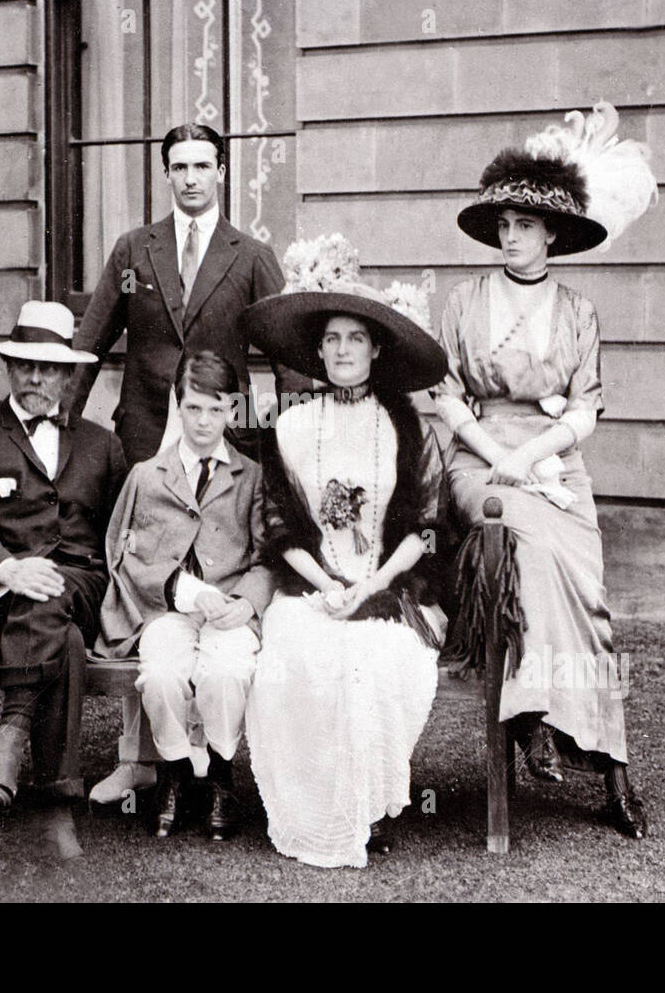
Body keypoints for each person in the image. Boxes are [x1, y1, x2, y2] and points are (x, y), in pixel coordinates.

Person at [70, 122, 309, 806]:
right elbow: (89, 343)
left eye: (203, 165)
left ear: (223, 172)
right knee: (150, 592)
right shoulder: (132, 249)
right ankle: (139, 761)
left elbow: (288, 354)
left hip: (221, 437)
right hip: (147, 445)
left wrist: (289, 439)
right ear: (166, 174)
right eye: (179, 166)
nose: (191, 177)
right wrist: (62, 430)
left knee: (221, 583)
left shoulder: (252, 255)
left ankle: (212, 756)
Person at [435, 104, 654, 839]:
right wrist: (501, 460)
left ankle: (610, 768)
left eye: (526, 225)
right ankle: (533, 716)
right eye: (505, 225)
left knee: (587, 591)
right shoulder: (463, 303)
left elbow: (586, 407)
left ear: (553, 233)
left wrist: (533, 459)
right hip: (479, 461)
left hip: (555, 461)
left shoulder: (577, 310)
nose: (513, 236)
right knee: (525, 545)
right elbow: (446, 398)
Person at [242, 235, 449, 868]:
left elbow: (424, 528)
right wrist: (329, 585)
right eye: (331, 340)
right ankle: (321, 812)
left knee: (376, 663)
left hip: (387, 589)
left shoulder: (405, 428)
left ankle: (367, 808)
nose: (341, 351)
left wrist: (370, 583)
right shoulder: (293, 423)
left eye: (355, 339)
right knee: (300, 659)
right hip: (311, 587)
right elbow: (280, 529)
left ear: (377, 348)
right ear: (318, 350)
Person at [0, 301, 127, 856]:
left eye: (49, 367)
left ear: (69, 375)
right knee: (58, 636)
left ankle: (10, 738)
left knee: (58, 599)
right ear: (8, 368)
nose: (37, 377)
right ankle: (55, 806)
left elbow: (120, 537)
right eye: (25, 365)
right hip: (2, 600)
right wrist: (10, 568)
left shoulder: (102, 445)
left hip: (82, 590)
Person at [95, 350, 272, 840]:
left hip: (230, 612)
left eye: (216, 410)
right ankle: (173, 769)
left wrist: (248, 603)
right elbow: (124, 556)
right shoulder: (148, 476)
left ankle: (218, 773)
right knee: (162, 674)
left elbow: (268, 557)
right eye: (193, 408)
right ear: (178, 407)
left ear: (233, 411)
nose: (204, 421)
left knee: (226, 672)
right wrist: (182, 589)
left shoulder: (250, 476)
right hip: (166, 609)